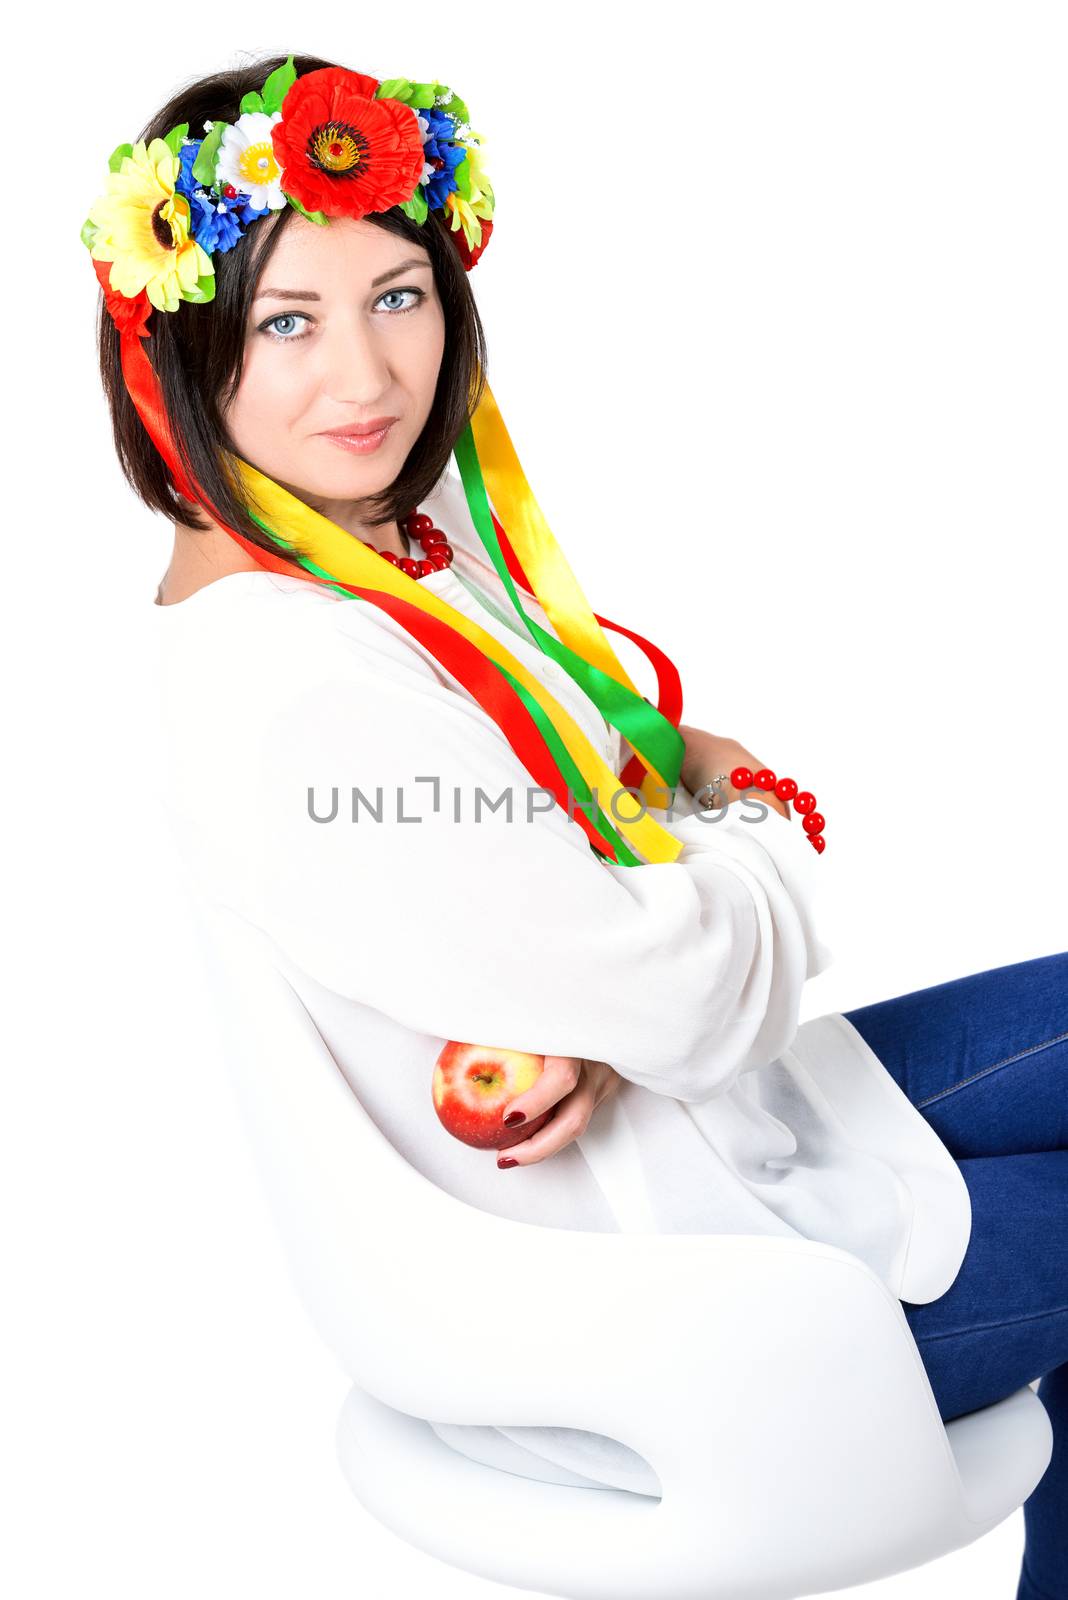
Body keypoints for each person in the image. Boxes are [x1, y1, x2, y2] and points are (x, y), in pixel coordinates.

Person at [84, 51, 1066, 1597]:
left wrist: (641, 922)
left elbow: (623, 882)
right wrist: (736, 834)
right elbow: (690, 974)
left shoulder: (371, 572)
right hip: (668, 1292)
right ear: (179, 350)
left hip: (721, 1145)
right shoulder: (293, 676)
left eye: (398, 297)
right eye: (288, 322)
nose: (368, 378)